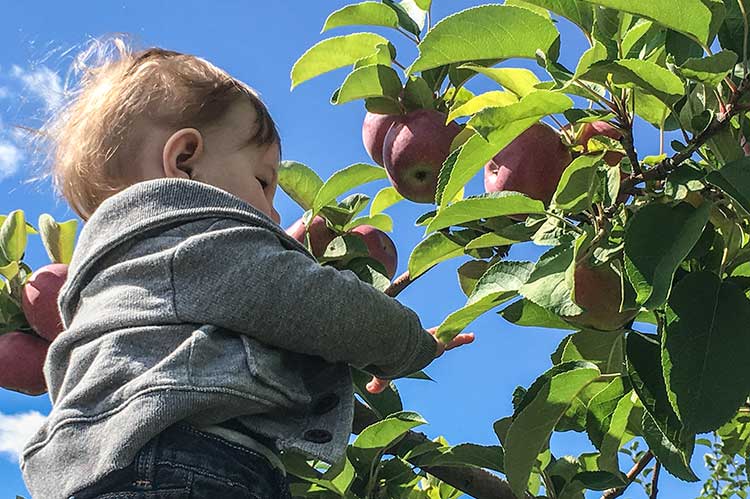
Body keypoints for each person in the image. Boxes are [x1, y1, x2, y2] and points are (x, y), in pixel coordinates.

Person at [19, 35, 474, 499]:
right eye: (263, 180)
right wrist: (408, 344)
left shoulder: (98, 285)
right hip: (186, 466)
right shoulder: (194, 237)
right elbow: (305, 300)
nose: (274, 215)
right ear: (185, 162)